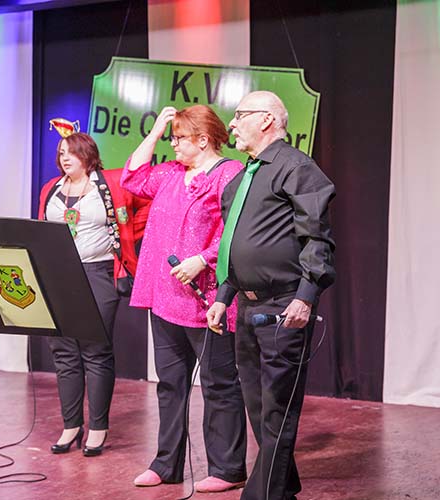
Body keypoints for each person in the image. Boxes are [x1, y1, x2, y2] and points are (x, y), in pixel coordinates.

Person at [206, 91, 336, 500]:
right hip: (246, 306)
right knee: (259, 407)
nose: (231, 124)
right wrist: (224, 295)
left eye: (239, 115)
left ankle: (262, 495)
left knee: (278, 407)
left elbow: (317, 239)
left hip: (284, 305)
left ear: (265, 119)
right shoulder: (242, 178)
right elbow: (234, 242)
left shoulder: (296, 168)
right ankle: (285, 487)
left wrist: (306, 296)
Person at [121, 105, 247, 493]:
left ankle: (227, 468)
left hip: (206, 299)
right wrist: (156, 130)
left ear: (203, 140)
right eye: (172, 137)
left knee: (218, 384)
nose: (173, 144)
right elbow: (132, 177)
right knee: (170, 384)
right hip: (165, 297)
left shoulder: (229, 173)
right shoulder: (172, 173)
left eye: (179, 137)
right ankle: (167, 463)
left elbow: (236, 231)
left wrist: (202, 259)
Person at [38, 132, 149, 457]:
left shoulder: (109, 183)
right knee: (63, 352)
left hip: (98, 272)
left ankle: (98, 427)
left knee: (95, 350)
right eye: (61, 152)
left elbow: (144, 204)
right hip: (58, 275)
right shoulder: (51, 188)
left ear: (87, 154)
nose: (65, 158)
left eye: (71, 152)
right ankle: (71, 425)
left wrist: (127, 234)